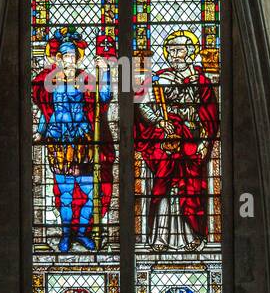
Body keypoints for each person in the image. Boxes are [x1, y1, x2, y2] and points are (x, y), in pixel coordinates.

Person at [134, 30, 219, 253]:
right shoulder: (160, 79)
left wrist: (205, 142)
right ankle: (160, 237)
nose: (174, 55)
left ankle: (191, 235)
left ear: (190, 53)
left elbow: (210, 116)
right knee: (164, 187)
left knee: (189, 188)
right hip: (167, 141)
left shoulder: (201, 81)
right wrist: (159, 122)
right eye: (171, 51)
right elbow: (143, 104)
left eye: (179, 50)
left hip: (191, 140)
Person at [31, 27, 114, 253]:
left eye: (72, 56)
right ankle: (66, 234)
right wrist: (40, 131)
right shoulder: (51, 81)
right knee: (65, 193)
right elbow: (46, 110)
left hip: (83, 142)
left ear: (77, 58)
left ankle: (82, 232)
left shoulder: (86, 78)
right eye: (64, 56)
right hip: (59, 141)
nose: (68, 59)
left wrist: (105, 72)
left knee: (87, 191)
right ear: (59, 58)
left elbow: (104, 96)